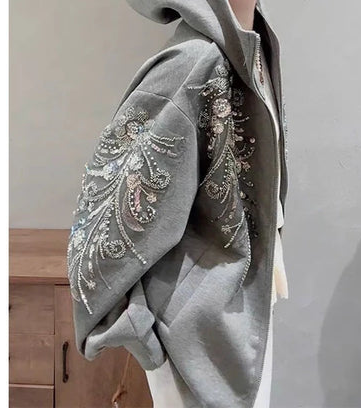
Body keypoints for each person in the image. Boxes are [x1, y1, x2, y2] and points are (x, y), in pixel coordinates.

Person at [66, 1, 290, 407]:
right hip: (195, 337)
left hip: (245, 308)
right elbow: (99, 230)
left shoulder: (255, 49)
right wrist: (134, 329)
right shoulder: (192, 63)